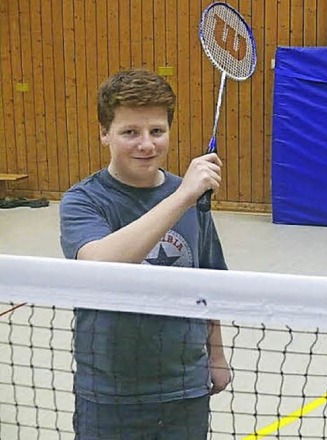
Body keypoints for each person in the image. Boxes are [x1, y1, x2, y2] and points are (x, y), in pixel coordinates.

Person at [60, 68, 231, 439]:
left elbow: (209, 282)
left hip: (183, 387)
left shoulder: (193, 200)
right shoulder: (83, 201)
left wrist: (216, 356)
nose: (146, 144)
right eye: (130, 132)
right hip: (108, 392)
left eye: (157, 131)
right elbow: (99, 265)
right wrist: (183, 196)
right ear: (104, 133)